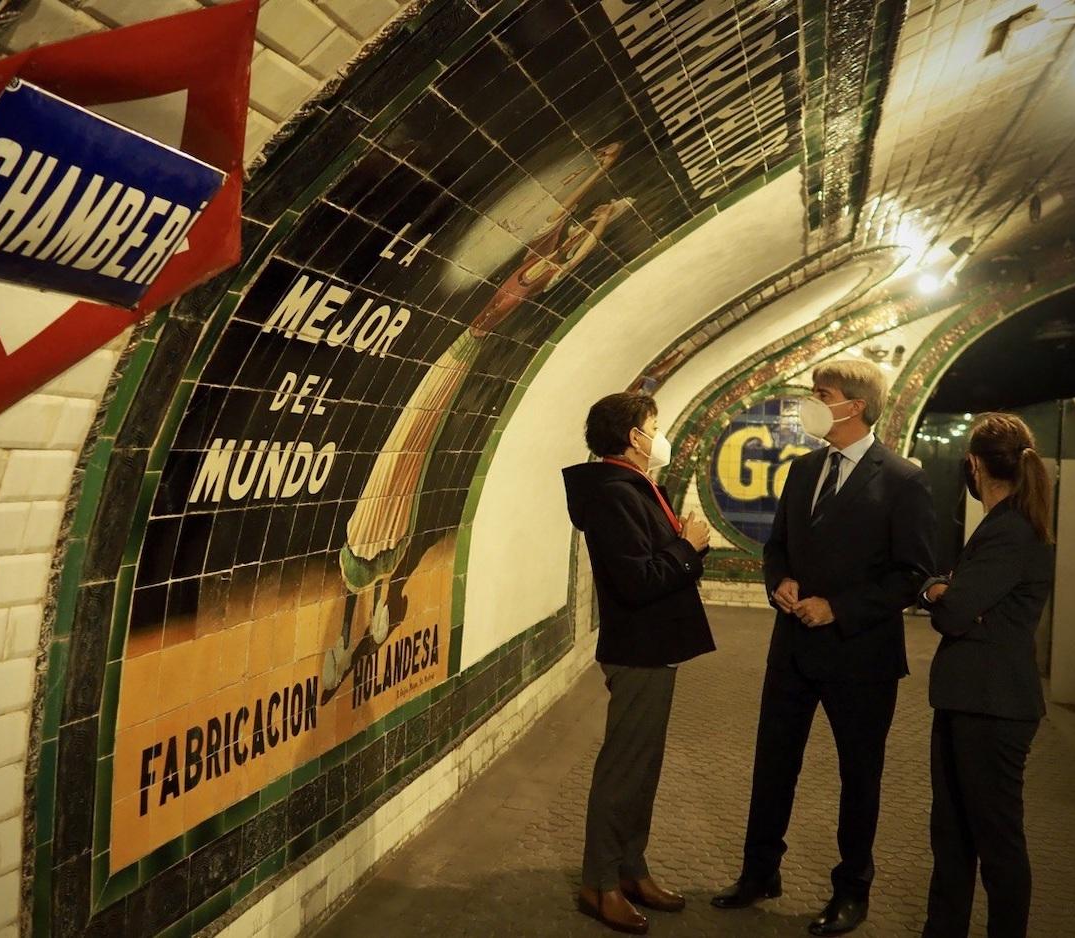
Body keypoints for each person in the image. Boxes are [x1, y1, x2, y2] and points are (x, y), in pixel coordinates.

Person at [322, 141, 635, 696]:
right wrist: (597, 180)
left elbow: (567, 237)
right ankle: (364, 618)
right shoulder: (543, 266)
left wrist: (600, 198)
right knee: (399, 473)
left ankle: (359, 621)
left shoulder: (534, 276)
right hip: (454, 363)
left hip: (457, 359)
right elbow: (564, 223)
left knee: (399, 470)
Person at [712, 360, 935, 936]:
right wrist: (778, 582)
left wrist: (838, 607)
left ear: (853, 406)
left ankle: (851, 890)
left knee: (859, 775)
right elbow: (778, 546)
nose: (811, 401)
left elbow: (911, 573)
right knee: (773, 765)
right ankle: (760, 872)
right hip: (792, 649)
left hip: (860, 655)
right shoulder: (806, 468)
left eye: (821, 393)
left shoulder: (903, 479)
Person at [563, 392, 716, 934]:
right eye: (654, 425)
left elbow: (659, 560)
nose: (659, 434)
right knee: (623, 767)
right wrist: (689, 548)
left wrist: (683, 549)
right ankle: (598, 884)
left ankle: (631, 868)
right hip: (638, 647)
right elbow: (638, 579)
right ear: (633, 436)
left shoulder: (635, 487)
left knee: (642, 766)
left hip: (658, 643)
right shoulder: (611, 494)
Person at [920, 413, 1054, 938]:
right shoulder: (1006, 528)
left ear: (974, 466)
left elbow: (951, 613)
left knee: (996, 842)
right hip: (968, 700)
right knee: (951, 835)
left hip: (993, 708)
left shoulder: (1010, 533)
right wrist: (949, 594)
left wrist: (941, 593)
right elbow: (961, 608)